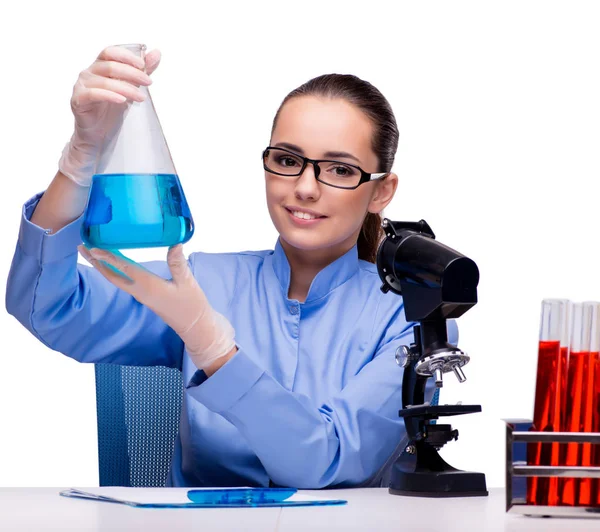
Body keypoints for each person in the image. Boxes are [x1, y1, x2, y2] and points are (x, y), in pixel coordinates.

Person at [5, 45, 457, 489]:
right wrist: (82, 156)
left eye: (339, 170)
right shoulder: (201, 284)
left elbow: (327, 462)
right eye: (287, 160)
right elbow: (46, 305)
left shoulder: (412, 319)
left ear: (381, 191)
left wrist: (216, 352)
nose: (304, 188)